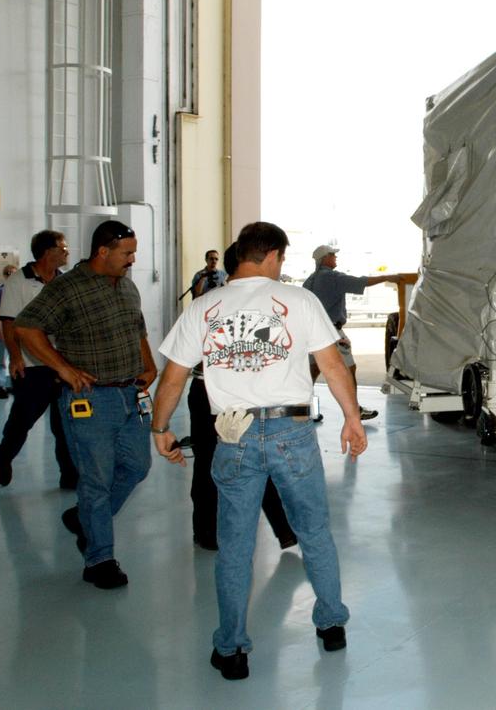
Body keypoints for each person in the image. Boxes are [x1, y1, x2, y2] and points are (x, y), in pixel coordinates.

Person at [151, 221, 367, 681]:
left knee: (235, 546)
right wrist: (351, 417)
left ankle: (231, 650)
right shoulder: (299, 301)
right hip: (291, 431)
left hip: (234, 434)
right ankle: (331, 625)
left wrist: (160, 427)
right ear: (270, 255)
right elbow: (331, 365)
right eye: (281, 258)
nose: (281, 266)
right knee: (314, 531)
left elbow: (172, 378)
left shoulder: (204, 308)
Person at [15, 221, 157, 589]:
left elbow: (136, 327)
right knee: (96, 479)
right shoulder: (67, 288)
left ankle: (85, 519)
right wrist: (63, 367)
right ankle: (99, 559)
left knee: (138, 466)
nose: (133, 259)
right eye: (127, 253)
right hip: (91, 400)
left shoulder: (126, 285)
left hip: (130, 395)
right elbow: (27, 327)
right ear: (103, 252)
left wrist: (148, 363)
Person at [186, 242, 296, 551]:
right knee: (214, 461)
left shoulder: (267, 302)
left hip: (245, 393)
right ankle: (208, 531)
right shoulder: (212, 302)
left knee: (255, 457)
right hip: (213, 393)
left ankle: (284, 530)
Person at [0, 232, 79, 489]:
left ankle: (69, 475)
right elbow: (9, 322)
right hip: (31, 365)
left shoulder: (64, 282)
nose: (67, 252)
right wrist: (15, 356)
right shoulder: (19, 281)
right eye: (63, 248)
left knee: (65, 424)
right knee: (23, 419)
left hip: (61, 364)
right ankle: (4, 457)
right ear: (47, 251)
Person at [303, 243, 401, 420]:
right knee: (349, 369)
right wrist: (389, 277)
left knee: (312, 370)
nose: (335, 257)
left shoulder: (309, 281)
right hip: (331, 332)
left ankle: (302, 408)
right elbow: (362, 281)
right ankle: (354, 411)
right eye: (333, 255)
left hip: (310, 333)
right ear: (325, 258)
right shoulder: (332, 277)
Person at [0, 264, 17, 398]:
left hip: (16, 331)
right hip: (3, 330)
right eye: (8, 273)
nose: (11, 275)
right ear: (5, 275)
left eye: (14, 273)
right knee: (1, 360)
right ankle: (0, 386)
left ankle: (16, 384)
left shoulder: (19, 292)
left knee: (17, 358)